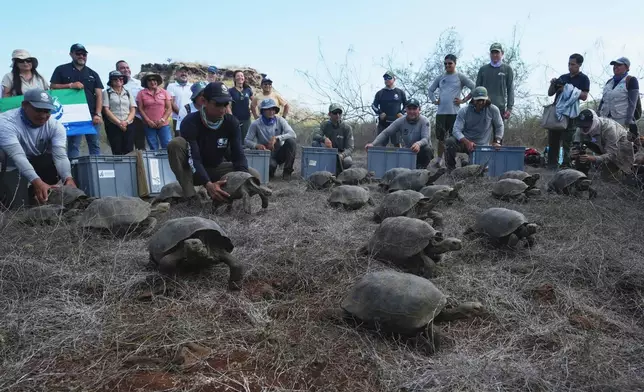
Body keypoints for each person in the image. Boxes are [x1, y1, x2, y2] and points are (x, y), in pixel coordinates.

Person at [167, 82, 259, 203]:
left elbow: (238, 154)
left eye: (226, 104)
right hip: (192, 170)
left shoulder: (231, 122)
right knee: (175, 144)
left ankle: (223, 196)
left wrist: (242, 178)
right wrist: (208, 184)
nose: (223, 109)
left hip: (216, 168)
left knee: (253, 176)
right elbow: (195, 159)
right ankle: (191, 196)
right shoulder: (190, 122)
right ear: (204, 101)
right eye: (218, 104)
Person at [0, 88, 76, 205]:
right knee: (15, 207)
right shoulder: (6, 122)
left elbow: (60, 156)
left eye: (47, 111)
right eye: (38, 110)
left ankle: (36, 194)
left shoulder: (56, 126)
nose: (43, 115)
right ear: (25, 105)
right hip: (10, 163)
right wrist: (37, 182)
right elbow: (18, 157)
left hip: (33, 160)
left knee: (53, 162)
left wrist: (68, 178)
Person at [49, 43, 103, 158]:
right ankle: (74, 172)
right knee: (73, 145)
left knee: (95, 144)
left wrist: (98, 114)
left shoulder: (93, 73)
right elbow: (52, 87)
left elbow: (99, 95)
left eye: (84, 54)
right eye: (78, 53)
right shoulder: (61, 69)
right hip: (72, 115)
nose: (81, 56)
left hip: (92, 115)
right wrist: (70, 85)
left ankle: (96, 171)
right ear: (71, 54)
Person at [428, 54, 475, 167]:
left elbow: (474, 87)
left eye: (450, 63)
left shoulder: (460, 76)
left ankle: (453, 161)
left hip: (455, 113)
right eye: (445, 63)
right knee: (441, 138)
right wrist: (434, 100)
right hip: (441, 113)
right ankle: (439, 160)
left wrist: (463, 100)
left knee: (454, 138)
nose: (447, 65)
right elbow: (430, 90)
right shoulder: (440, 77)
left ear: (455, 63)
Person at [545, 53, 590, 169]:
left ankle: (566, 164)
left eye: (573, 64)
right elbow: (550, 93)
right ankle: (552, 164)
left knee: (567, 140)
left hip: (571, 113)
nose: (570, 66)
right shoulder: (563, 77)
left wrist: (568, 89)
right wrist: (554, 84)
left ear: (579, 65)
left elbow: (584, 96)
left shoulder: (584, 79)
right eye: (569, 64)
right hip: (558, 112)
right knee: (553, 139)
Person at [444, 87, 504, 171]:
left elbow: (499, 126)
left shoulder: (493, 109)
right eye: (478, 100)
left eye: (483, 100)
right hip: (465, 143)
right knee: (450, 141)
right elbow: (456, 130)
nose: (481, 102)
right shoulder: (464, 111)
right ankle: (450, 170)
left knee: (479, 171)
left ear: (487, 99)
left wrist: (497, 141)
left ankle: (466, 163)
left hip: (481, 146)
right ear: (473, 99)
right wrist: (467, 142)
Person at [365, 98, 433, 169]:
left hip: (422, 150)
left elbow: (425, 139)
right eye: (409, 109)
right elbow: (386, 133)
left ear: (419, 109)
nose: (412, 111)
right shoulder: (400, 121)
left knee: (427, 150)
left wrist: (418, 144)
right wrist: (373, 144)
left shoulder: (425, 121)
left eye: (414, 109)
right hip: (409, 151)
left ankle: (422, 168)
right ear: (406, 109)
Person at [571, 109, 634, 180]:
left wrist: (593, 158)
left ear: (594, 122)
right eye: (582, 126)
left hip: (620, 149)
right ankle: (582, 171)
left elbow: (612, 154)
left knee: (608, 178)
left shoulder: (609, 129)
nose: (584, 129)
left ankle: (624, 171)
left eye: (586, 126)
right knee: (580, 150)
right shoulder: (581, 127)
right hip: (601, 143)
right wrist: (575, 151)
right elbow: (576, 143)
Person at [245, 98, 297, 180]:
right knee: (270, 169)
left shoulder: (280, 120)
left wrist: (277, 138)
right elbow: (247, 140)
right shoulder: (256, 124)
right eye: (268, 109)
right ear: (262, 111)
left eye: (273, 109)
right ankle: (271, 169)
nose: (271, 111)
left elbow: (292, 134)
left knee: (291, 142)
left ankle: (287, 171)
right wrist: (256, 145)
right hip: (266, 152)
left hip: (279, 151)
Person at [476, 43, 514, 139]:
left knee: (498, 136)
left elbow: (510, 89)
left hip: (500, 108)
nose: (495, 55)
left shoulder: (507, 69)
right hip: (483, 107)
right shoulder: (483, 69)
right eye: (492, 53)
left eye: (497, 52)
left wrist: (509, 108)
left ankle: (497, 153)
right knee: (481, 136)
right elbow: (476, 89)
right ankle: (481, 154)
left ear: (502, 53)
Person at [598, 57, 640, 138]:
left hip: (621, 122)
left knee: (619, 146)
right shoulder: (609, 82)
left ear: (627, 67)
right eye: (614, 65)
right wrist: (598, 116)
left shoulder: (631, 80)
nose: (615, 67)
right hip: (605, 120)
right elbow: (602, 101)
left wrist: (629, 121)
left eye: (619, 65)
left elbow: (632, 103)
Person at [312, 103, 354, 172]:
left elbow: (350, 148)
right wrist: (324, 139)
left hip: (340, 153)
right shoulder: (325, 124)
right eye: (335, 113)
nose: (337, 115)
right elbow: (315, 135)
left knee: (348, 161)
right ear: (329, 114)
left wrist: (342, 155)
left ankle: (338, 171)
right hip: (328, 151)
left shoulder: (347, 128)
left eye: (339, 113)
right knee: (315, 143)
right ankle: (320, 168)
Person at [102, 71, 136, 155]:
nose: (118, 80)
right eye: (115, 79)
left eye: (120, 78)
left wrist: (126, 122)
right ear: (111, 81)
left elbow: (133, 109)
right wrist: (119, 123)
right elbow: (106, 109)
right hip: (113, 125)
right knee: (117, 150)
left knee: (129, 150)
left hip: (128, 124)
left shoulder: (128, 92)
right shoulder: (106, 93)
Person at [136, 73, 173, 150]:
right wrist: (148, 121)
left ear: (157, 81)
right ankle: (155, 162)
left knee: (167, 144)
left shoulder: (165, 92)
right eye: (149, 80)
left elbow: (169, 108)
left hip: (163, 124)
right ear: (146, 82)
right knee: (153, 147)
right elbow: (140, 109)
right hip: (149, 125)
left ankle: (167, 162)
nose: (152, 82)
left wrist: (162, 120)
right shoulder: (141, 93)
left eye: (154, 79)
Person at [371, 71, 408, 146]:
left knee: (397, 144)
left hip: (397, 123)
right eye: (385, 78)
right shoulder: (380, 93)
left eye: (389, 78)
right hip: (383, 123)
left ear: (394, 79)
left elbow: (407, 105)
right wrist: (380, 113)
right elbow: (373, 105)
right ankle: (381, 158)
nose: (387, 79)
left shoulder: (400, 92)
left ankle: (398, 158)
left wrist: (402, 113)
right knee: (381, 144)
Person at [116, 60, 146, 150]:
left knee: (140, 146)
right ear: (117, 70)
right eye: (122, 68)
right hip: (122, 119)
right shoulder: (113, 85)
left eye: (127, 67)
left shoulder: (138, 83)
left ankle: (141, 164)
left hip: (138, 118)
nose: (126, 70)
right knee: (126, 147)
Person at [166, 66, 193, 136]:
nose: (184, 73)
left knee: (192, 137)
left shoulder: (192, 86)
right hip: (177, 118)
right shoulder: (171, 86)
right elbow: (172, 102)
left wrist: (189, 116)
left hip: (192, 117)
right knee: (180, 140)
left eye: (185, 72)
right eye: (181, 72)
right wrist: (182, 114)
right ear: (176, 74)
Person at [229, 70, 254, 140]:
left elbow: (254, 102)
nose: (240, 77)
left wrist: (253, 111)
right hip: (235, 119)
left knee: (246, 140)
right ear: (234, 79)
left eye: (242, 76)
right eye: (238, 76)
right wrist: (231, 118)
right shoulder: (230, 91)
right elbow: (227, 106)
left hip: (246, 119)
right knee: (235, 139)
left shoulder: (248, 90)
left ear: (244, 78)